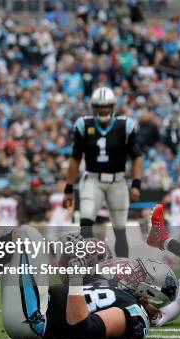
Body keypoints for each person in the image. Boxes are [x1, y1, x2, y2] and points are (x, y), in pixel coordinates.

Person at [0, 226, 172, 339]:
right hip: (36, 310)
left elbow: (82, 326)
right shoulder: (115, 290)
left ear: (151, 292)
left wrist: (75, 278)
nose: (128, 268)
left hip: (38, 320)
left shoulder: (135, 313)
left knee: (26, 236)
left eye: (139, 273)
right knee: (14, 251)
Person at [64, 86, 142, 258]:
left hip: (118, 182)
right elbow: (75, 158)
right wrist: (68, 188)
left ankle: (123, 272)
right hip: (93, 180)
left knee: (120, 228)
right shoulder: (84, 125)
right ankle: (87, 269)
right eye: (99, 106)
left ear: (113, 106)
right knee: (85, 221)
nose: (103, 110)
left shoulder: (125, 126)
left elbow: (137, 157)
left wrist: (136, 184)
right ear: (93, 108)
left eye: (105, 106)